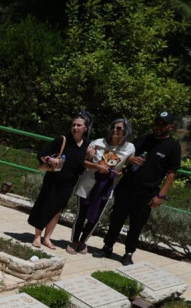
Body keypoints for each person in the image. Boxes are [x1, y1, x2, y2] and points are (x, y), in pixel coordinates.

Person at [100, 110, 183, 265]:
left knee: (136, 225)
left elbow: (171, 174)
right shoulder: (142, 139)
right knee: (116, 219)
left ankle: (128, 253)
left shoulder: (173, 147)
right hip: (126, 187)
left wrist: (161, 196)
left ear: (170, 127)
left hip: (147, 193)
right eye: (157, 122)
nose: (158, 126)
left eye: (163, 124)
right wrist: (130, 159)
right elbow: (125, 157)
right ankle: (107, 246)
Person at [68, 118, 133, 254]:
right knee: (81, 214)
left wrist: (118, 173)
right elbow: (84, 163)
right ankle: (74, 241)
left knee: (95, 217)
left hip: (105, 188)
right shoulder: (98, 143)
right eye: (113, 127)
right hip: (88, 184)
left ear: (125, 131)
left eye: (119, 128)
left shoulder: (129, 148)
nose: (115, 130)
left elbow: (129, 167)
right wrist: (93, 160)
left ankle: (83, 242)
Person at [27, 112, 90, 250]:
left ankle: (47, 238)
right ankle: (37, 236)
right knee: (45, 206)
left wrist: (90, 157)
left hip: (69, 183)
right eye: (73, 125)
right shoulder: (62, 140)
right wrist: (51, 159)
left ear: (85, 128)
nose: (75, 127)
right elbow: (41, 154)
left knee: (57, 211)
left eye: (79, 125)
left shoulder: (86, 145)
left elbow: (82, 165)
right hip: (53, 179)